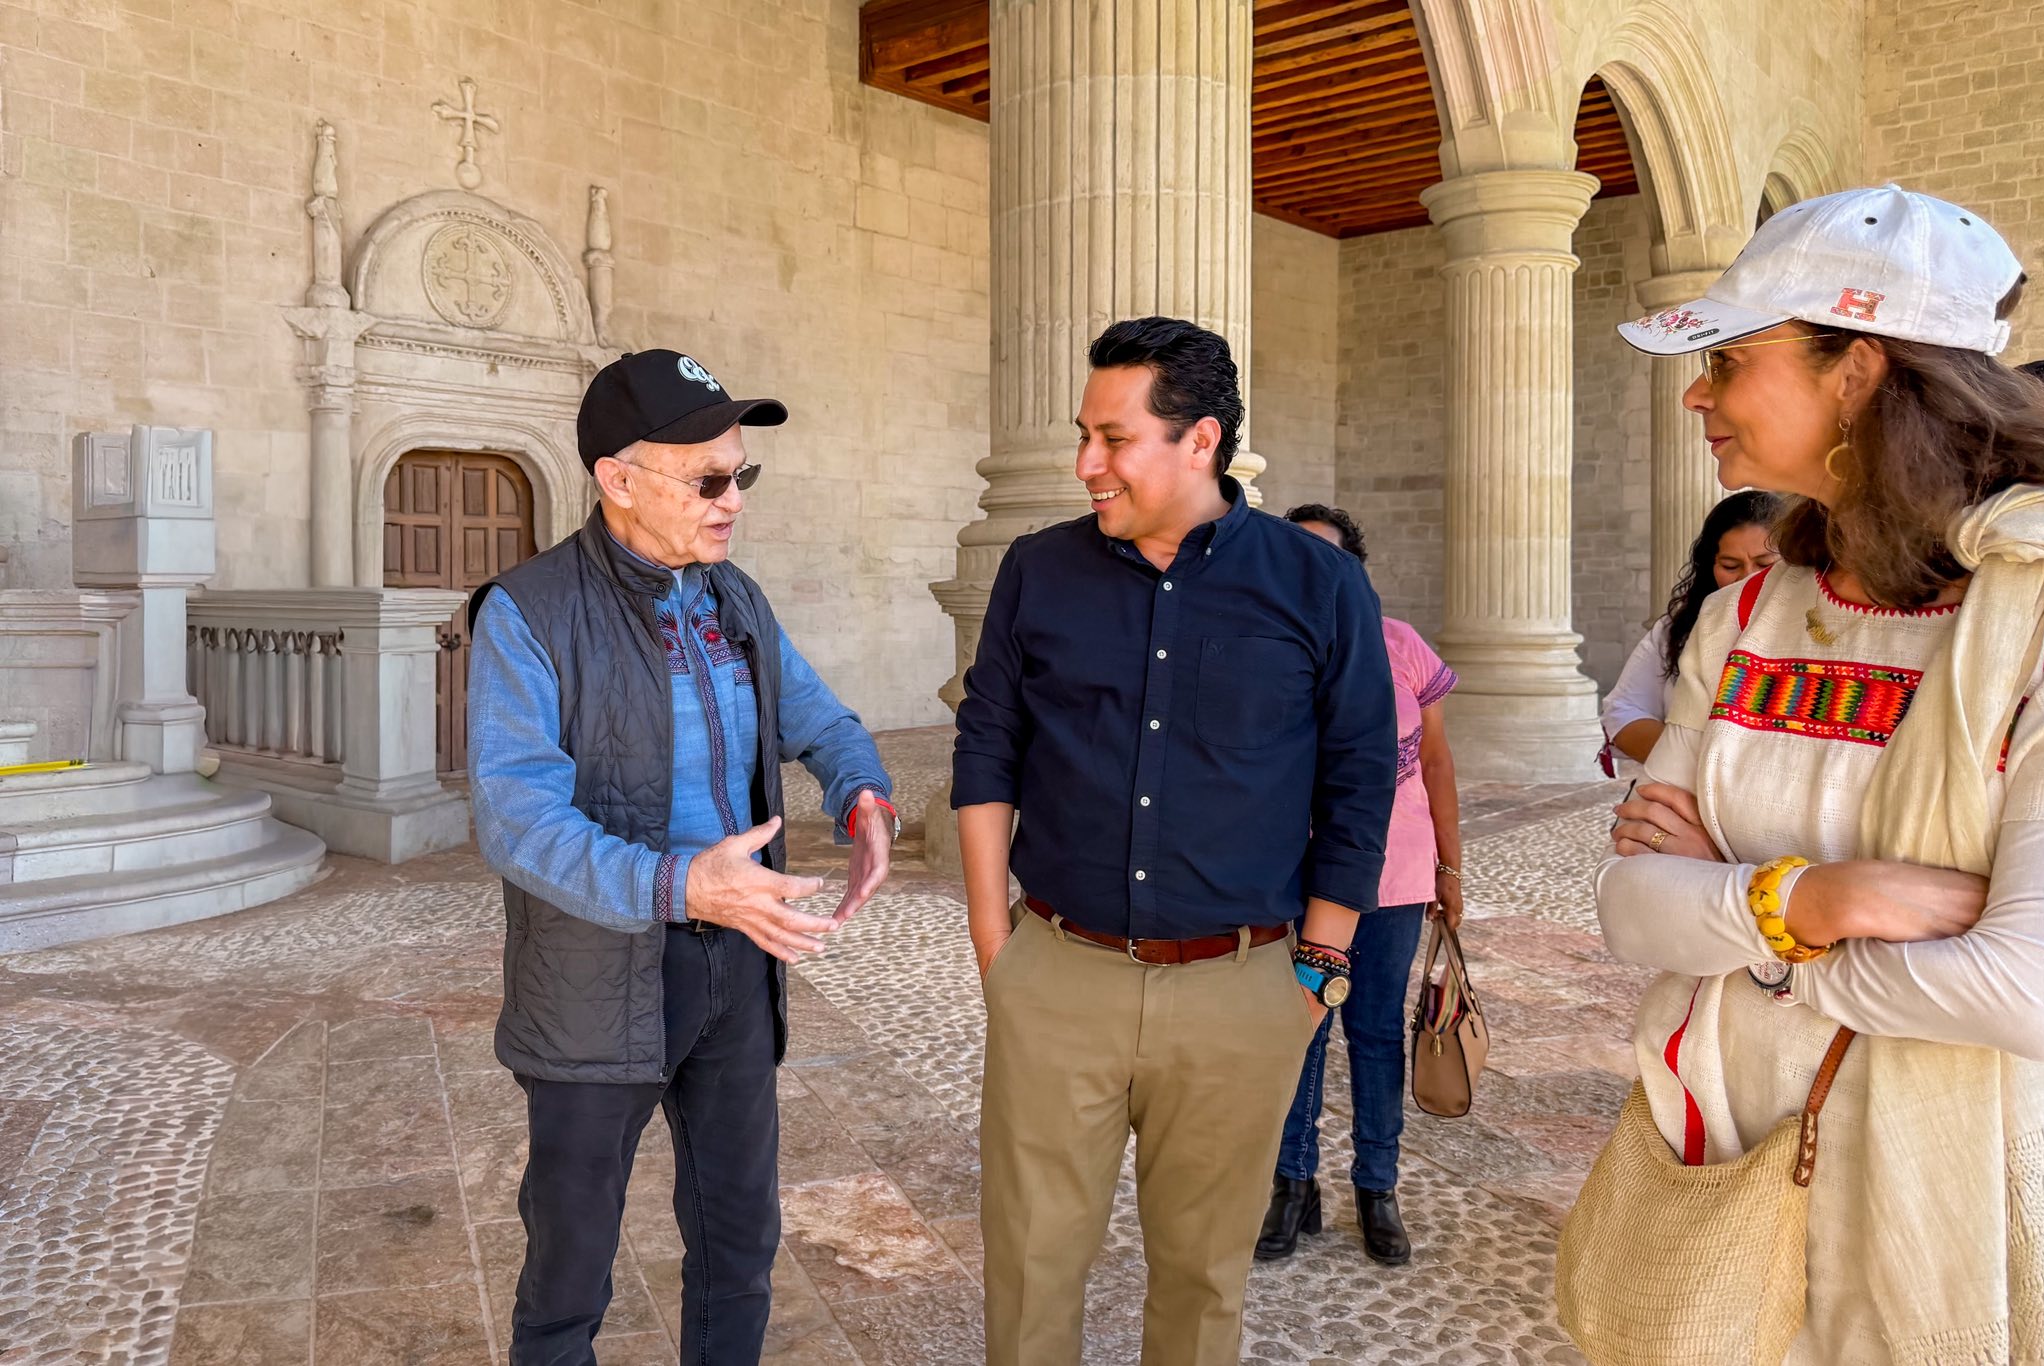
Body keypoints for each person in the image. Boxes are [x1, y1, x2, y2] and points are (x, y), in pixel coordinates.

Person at [1597, 185, 2044, 1359]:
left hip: (1936, 1203)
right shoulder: (1741, 614)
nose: (1695, 394)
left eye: (1729, 358)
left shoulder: (2031, 621)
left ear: (1855, 368)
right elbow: (1631, 905)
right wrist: (1822, 898)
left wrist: (1750, 940)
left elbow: (2023, 988)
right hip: (1725, 1153)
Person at [953, 317, 1399, 1366]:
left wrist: (1319, 966)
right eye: (1084, 434)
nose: (1085, 463)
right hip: (1056, 974)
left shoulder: (1319, 584)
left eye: (1112, 438)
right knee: (1028, 1267)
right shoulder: (1036, 569)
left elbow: (1359, 775)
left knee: (1203, 1280)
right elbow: (987, 743)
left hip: (1242, 989)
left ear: (1199, 440)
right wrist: (992, 941)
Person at [467, 349, 899, 1366]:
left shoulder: (732, 597)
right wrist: (679, 882)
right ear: (617, 479)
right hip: (593, 980)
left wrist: (862, 793)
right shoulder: (526, 612)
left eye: (741, 475)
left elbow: (818, 716)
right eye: (707, 480)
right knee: (569, 1268)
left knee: (740, 1239)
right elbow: (516, 818)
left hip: (733, 966)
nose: (732, 501)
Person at [1255, 504, 1464, 1267]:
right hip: (1298, 880)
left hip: (1394, 880)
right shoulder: (1265, 652)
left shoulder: (1400, 646)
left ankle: (1377, 1188)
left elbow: (1435, 763)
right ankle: (1292, 1185)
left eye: (1328, 559)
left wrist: (1450, 867)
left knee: (1374, 1032)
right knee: (1298, 1030)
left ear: (1354, 570)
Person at [1600, 491, 1782, 768]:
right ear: (1710, 566)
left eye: (1765, 565)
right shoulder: (1679, 629)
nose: (1748, 579)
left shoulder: (1820, 634)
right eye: (1730, 566)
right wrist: (1692, 767)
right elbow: (1624, 711)